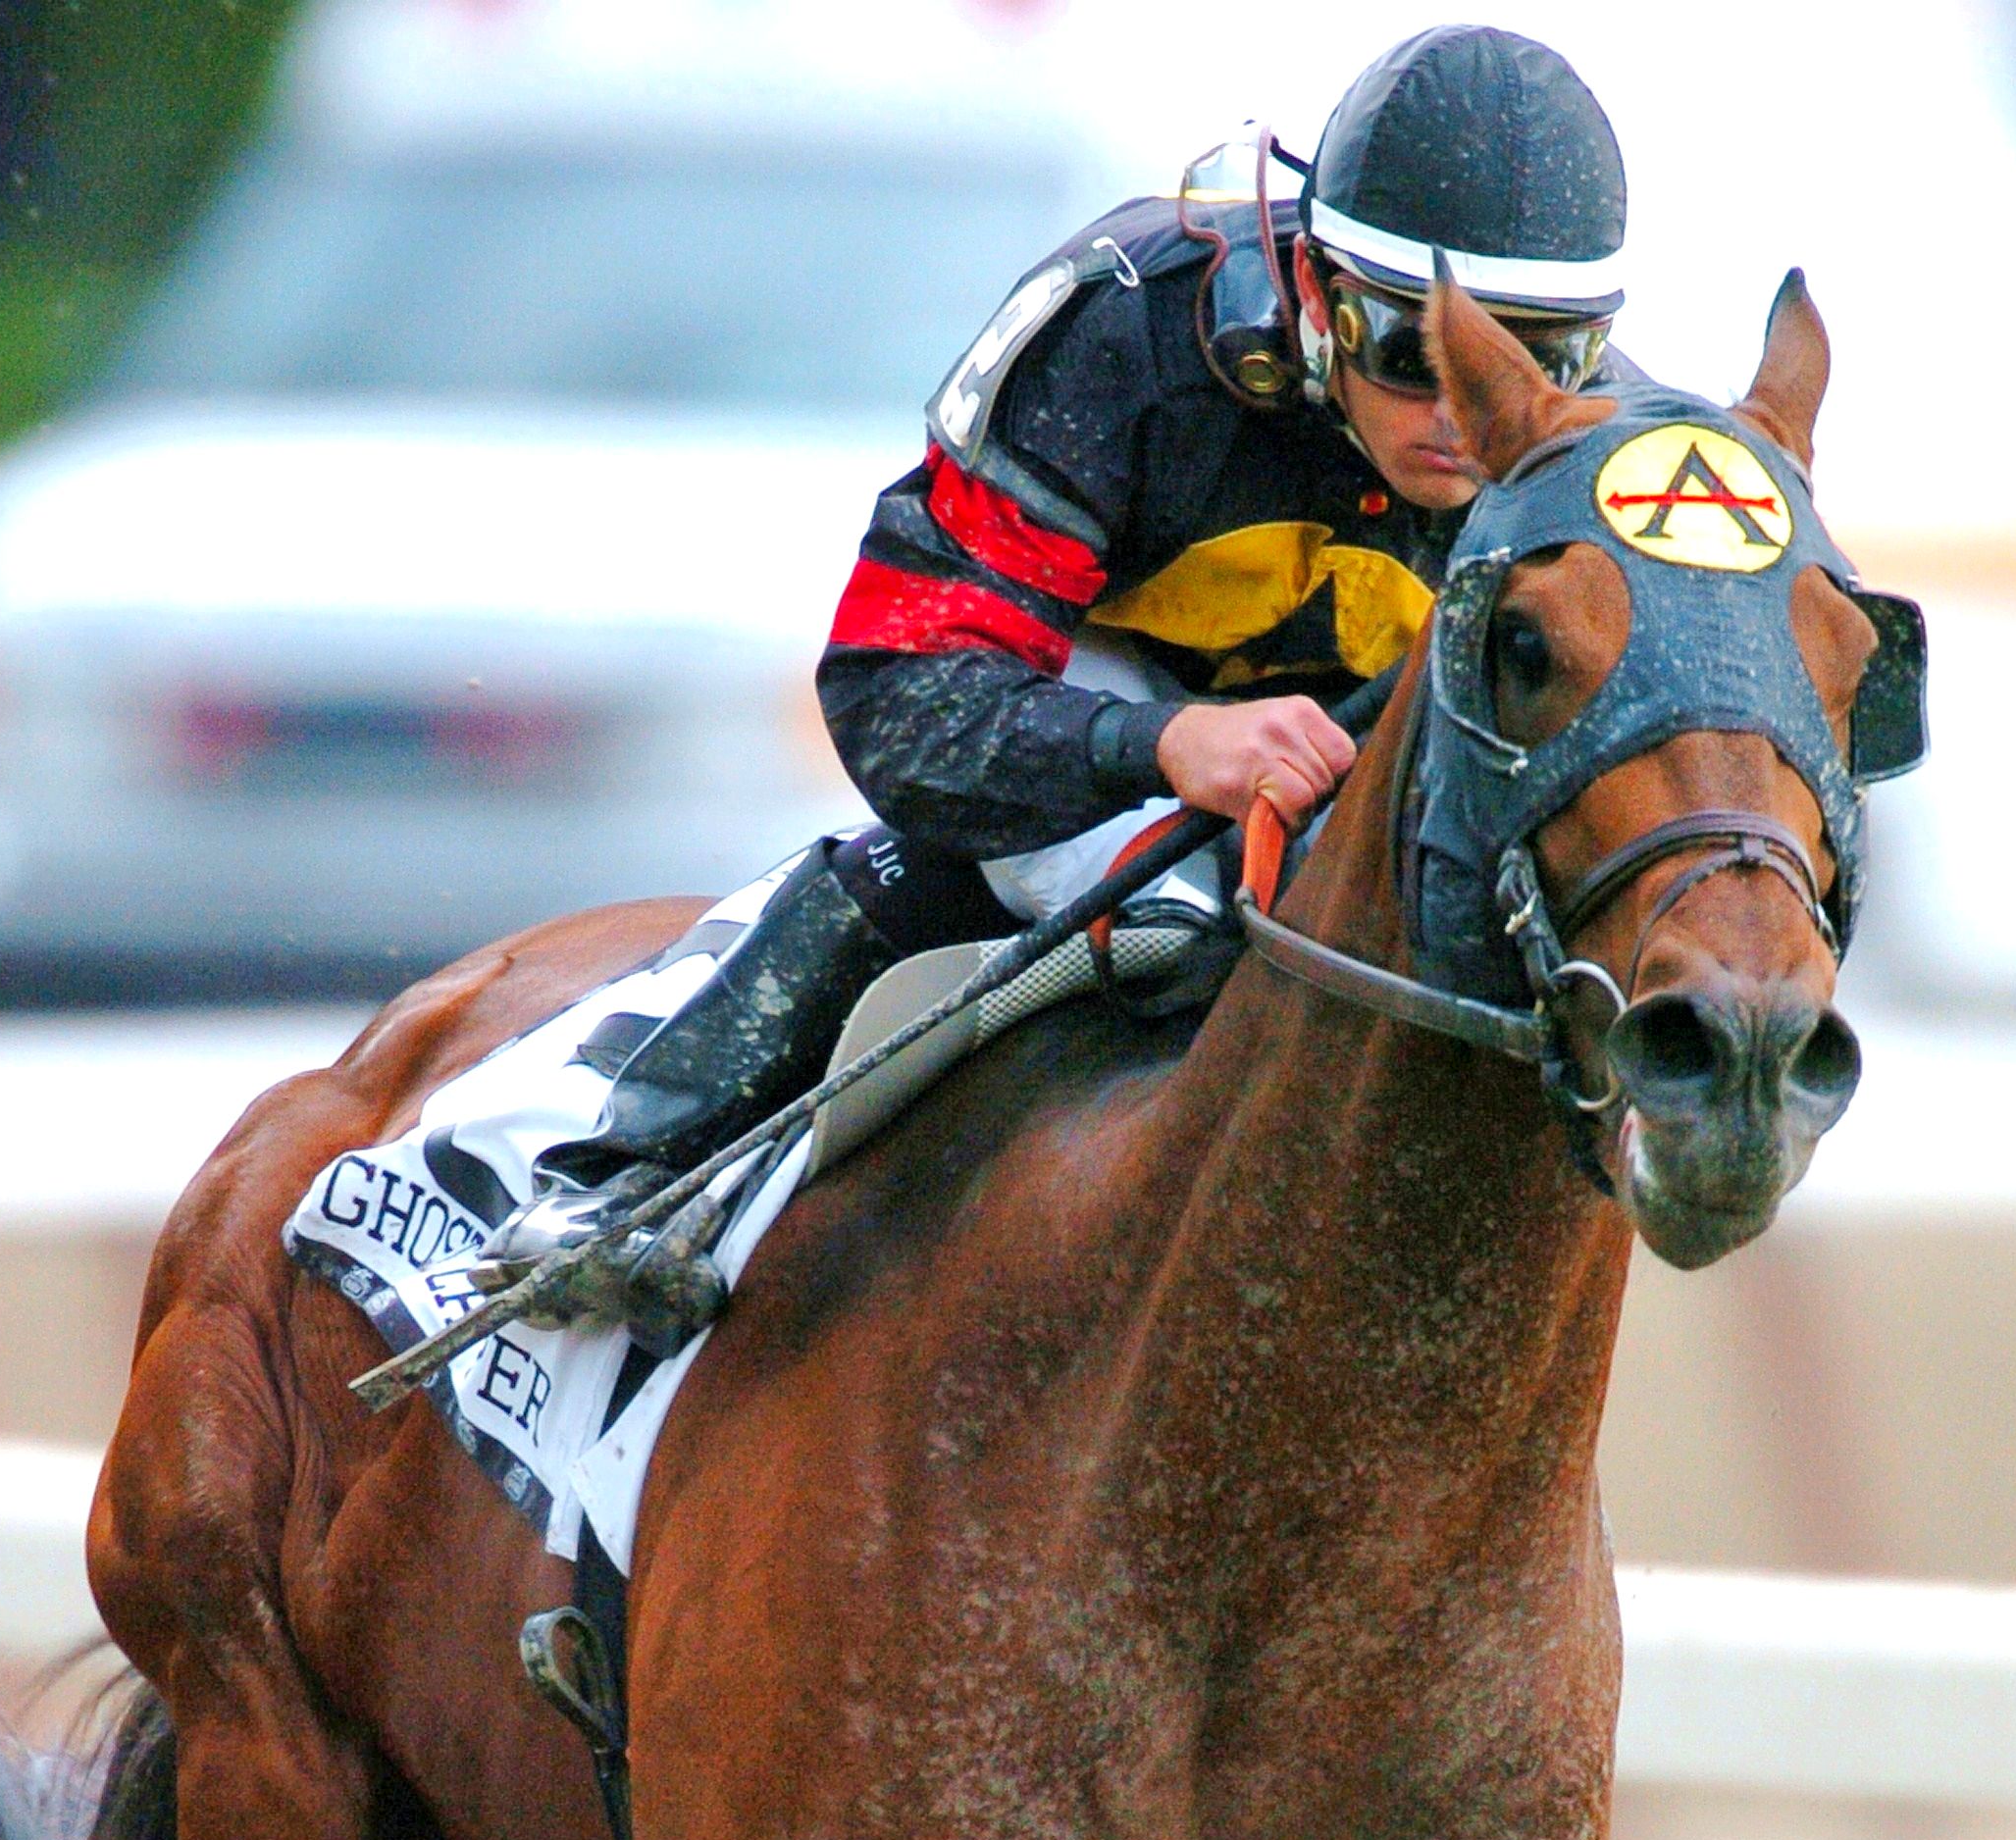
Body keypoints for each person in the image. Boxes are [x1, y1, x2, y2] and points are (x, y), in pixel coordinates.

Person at [489, 24, 1632, 1302]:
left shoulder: (1616, 449)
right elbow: (897, 694)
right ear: (1312, 292)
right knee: (1168, 911)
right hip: (1103, 695)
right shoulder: (1122, 339)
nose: (1460, 414)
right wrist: (1158, 746)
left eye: (1532, 359)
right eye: (1407, 349)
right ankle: (627, 1173)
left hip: (1365, 758)